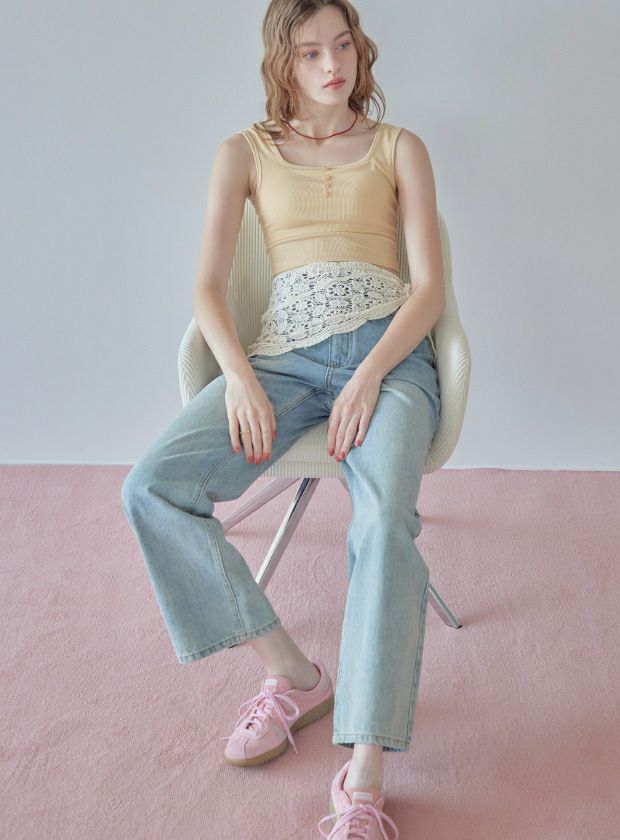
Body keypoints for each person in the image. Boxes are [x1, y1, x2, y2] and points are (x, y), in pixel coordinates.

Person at [121, 1, 444, 837]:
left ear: (359, 50)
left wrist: (370, 377)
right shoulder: (244, 152)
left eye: (342, 46)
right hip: (282, 360)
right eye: (309, 53)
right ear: (282, 62)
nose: (332, 65)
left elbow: (430, 290)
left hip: (390, 361)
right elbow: (207, 285)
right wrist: (238, 378)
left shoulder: (400, 147)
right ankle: (291, 670)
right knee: (152, 487)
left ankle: (364, 777)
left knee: (384, 523)